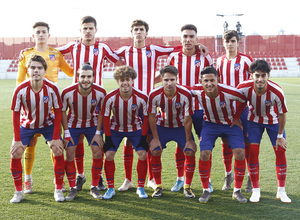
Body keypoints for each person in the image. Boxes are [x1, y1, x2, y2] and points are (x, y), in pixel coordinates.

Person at [114, 20, 208, 192]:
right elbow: (109, 55)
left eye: (142, 29)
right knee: (129, 140)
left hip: (158, 102)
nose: (139, 32)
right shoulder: (123, 51)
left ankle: (152, 178)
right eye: (136, 30)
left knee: (154, 139)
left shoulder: (154, 50)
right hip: (132, 101)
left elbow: (178, 49)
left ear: (146, 33)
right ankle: (128, 179)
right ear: (131, 32)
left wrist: (197, 45)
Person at [58, 16, 123, 191]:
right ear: (81, 31)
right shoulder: (73, 46)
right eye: (85, 28)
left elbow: (120, 60)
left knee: (97, 144)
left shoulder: (103, 47)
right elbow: (52, 51)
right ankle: (80, 176)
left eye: (91, 28)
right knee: (75, 143)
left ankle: (98, 177)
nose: (88, 31)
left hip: (96, 100)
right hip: (76, 99)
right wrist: (29, 50)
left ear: (96, 30)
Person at [17, 22, 73, 194]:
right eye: (38, 32)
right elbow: (20, 81)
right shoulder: (26, 55)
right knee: (30, 143)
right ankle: (28, 180)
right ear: (33, 35)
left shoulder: (56, 54)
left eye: (44, 32)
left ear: (49, 35)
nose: (41, 35)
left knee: (55, 143)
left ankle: (59, 182)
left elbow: (71, 72)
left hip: (51, 106)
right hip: (31, 106)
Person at [10, 55, 65, 203]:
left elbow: (58, 111)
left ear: (44, 70)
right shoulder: (20, 89)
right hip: (27, 125)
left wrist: (55, 136)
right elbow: (15, 115)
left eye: (39, 68)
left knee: (58, 149)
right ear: (28, 70)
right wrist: (16, 139)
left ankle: (58, 189)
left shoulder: (52, 88)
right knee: (16, 153)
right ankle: (19, 191)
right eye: (33, 67)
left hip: (48, 124)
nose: (36, 70)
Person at [236, 60, 291, 203]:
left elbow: (282, 115)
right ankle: (255, 190)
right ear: (251, 75)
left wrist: (280, 135)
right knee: (252, 152)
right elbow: (235, 102)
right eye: (257, 75)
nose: (260, 79)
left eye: (263, 75)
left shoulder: (277, 91)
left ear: (268, 76)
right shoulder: (243, 87)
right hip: (254, 121)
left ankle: (281, 191)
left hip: (273, 122)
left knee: (280, 151)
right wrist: (236, 119)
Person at [167, 24, 213, 193]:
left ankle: (206, 180)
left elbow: (211, 83)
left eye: (191, 36)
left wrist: (188, 88)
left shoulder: (205, 57)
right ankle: (180, 179)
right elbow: (169, 80)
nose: (188, 40)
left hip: (202, 108)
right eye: (185, 36)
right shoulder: (173, 56)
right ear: (181, 39)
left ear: (196, 39)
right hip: (180, 109)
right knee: (181, 145)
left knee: (205, 145)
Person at [191, 66, 247, 203]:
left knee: (240, 152)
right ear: (201, 81)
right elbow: (181, 89)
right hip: (210, 124)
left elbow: (244, 100)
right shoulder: (196, 90)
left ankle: (237, 191)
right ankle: (205, 190)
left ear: (218, 80)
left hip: (230, 124)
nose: (209, 83)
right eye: (206, 80)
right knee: (204, 154)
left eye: (212, 80)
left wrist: (237, 117)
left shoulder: (229, 91)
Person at [148, 65, 197, 198]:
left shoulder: (185, 94)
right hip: (162, 126)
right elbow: (151, 117)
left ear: (177, 79)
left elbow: (187, 119)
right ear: (161, 80)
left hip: (180, 127)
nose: (169, 83)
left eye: (172, 79)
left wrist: (188, 140)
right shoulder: (154, 94)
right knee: (155, 150)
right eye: (166, 80)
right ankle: (158, 186)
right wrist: (155, 138)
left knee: (189, 151)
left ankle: (187, 186)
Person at [101, 65, 149, 199]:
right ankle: (110, 188)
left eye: (127, 79)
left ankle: (140, 187)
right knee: (109, 155)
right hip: (116, 129)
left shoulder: (142, 97)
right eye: (122, 80)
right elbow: (105, 117)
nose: (125, 82)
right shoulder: (110, 97)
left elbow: (145, 118)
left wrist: (144, 136)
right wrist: (108, 138)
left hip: (135, 129)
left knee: (142, 154)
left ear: (132, 80)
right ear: (118, 81)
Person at [61, 63, 106, 200]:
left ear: (93, 77)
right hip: (73, 125)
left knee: (98, 151)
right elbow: (63, 112)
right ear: (78, 77)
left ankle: (94, 187)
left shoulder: (100, 92)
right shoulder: (67, 92)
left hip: (92, 125)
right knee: (69, 153)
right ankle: (73, 189)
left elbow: (101, 114)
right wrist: (66, 133)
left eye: (89, 77)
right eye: (83, 76)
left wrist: (98, 133)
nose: (86, 79)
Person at [216, 30, 253, 192]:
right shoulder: (219, 61)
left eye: (232, 41)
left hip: (244, 109)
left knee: (246, 143)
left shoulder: (245, 60)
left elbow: (254, 81)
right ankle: (228, 174)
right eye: (227, 41)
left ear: (238, 42)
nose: (229, 44)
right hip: (226, 110)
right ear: (223, 43)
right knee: (225, 142)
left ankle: (250, 177)